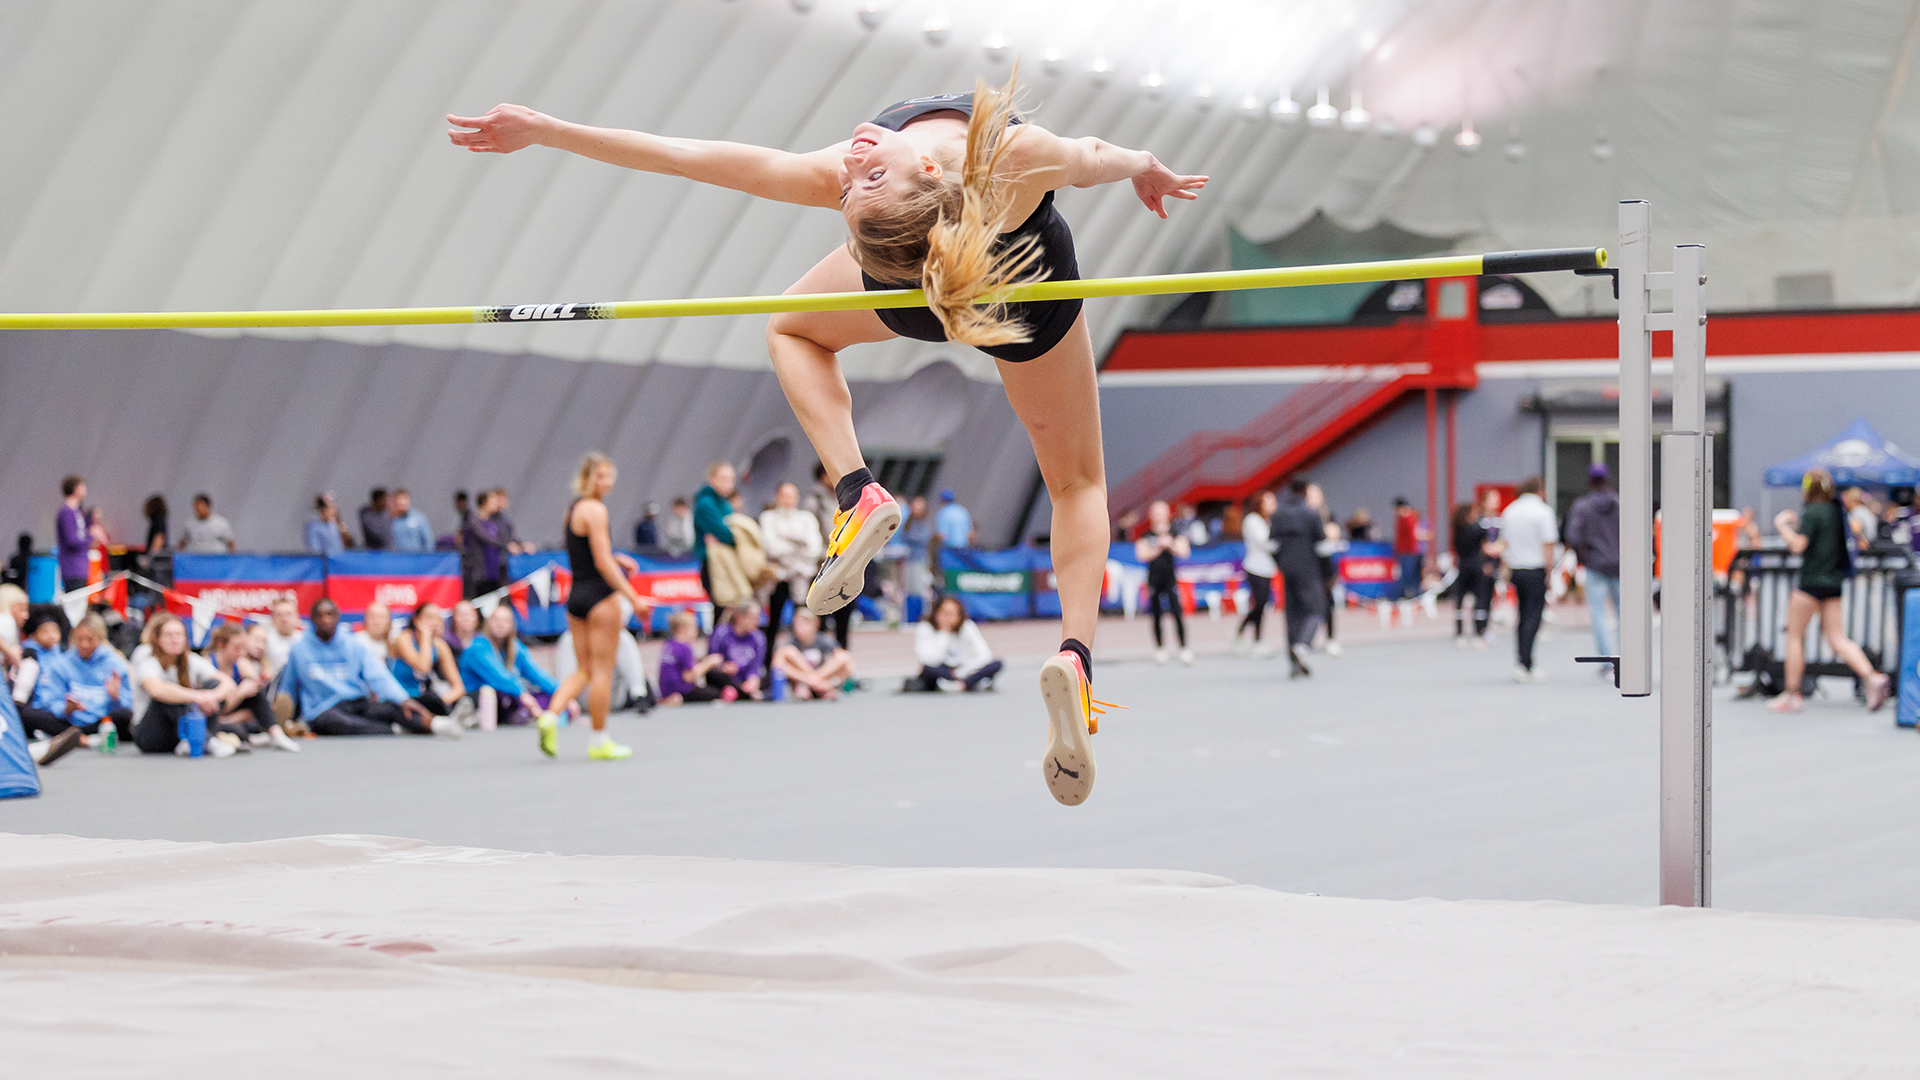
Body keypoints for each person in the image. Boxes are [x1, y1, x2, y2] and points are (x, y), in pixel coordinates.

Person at [450, 68, 1205, 807]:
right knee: (1076, 484)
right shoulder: (1009, 157)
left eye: (860, 183)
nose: (850, 169)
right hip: (1017, 286)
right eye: (856, 186)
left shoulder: (916, 173)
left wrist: (553, 132)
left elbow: (695, 157)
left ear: (932, 171)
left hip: (938, 282)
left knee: (791, 325)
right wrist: (1148, 170)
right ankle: (1075, 656)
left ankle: (856, 488)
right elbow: (1099, 156)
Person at [540, 452, 646, 761]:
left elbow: (587, 552)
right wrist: (632, 597)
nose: (607, 482)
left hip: (577, 596)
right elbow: (601, 562)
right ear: (587, 478)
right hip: (601, 598)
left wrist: (616, 557)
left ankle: (550, 716)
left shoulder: (573, 510)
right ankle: (599, 740)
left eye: (610, 476)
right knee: (602, 671)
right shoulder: (596, 510)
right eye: (601, 476)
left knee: (583, 670)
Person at [1768, 468, 1891, 713]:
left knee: (1794, 636)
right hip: (1834, 582)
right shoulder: (1838, 511)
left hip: (1811, 582)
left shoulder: (1813, 512)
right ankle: (1872, 677)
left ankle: (1792, 694)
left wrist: (1781, 525)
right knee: (1837, 638)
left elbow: (1798, 546)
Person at [281, 599, 452, 737]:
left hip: (355, 701)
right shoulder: (298, 649)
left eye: (330, 614)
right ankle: (392, 730)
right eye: (320, 615)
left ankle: (437, 724)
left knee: (396, 708)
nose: (325, 619)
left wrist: (403, 700)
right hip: (323, 709)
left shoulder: (353, 644)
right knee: (338, 723)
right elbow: (287, 687)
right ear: (312, 618)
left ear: (338, 617)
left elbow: (379, 677)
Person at [128, 611, 242, 757]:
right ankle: (207, 741)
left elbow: (227, 682)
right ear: (157, 639)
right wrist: (197, 696)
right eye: (169, 635)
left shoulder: (190, 659)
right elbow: (157, 690)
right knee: (172, 694)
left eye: (179, 635)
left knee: (213, 684)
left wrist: (211, 696)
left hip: (179, 729)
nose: (174, 640)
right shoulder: (147, 658)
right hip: (150, 734)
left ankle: (195, 740)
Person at [458, 603, 571, 727]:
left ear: (512, 624)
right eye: (496, 620)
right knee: (505, 694)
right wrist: (523, 695)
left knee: (552, 699)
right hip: (482, 698)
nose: (501, 624)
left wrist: (563, 695)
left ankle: (536, 714)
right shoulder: (477, 647)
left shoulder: (514, 647)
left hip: (510, 695)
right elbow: (499, 677)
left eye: (506, 621)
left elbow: (536, 673)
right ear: (488, 623)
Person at [33, 612, 132, 751]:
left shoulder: (115, 663)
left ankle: (76, 738)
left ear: (100, 639)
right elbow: (51, 701)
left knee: (122, 716)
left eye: (90, 639)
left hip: (102, 721)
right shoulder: (62, 664)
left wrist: (115, 697)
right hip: (69, 721)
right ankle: (80, 738)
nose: (84, 644)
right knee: (29, 714)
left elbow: (127, 705)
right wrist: (66, 708)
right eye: (79, 639)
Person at [1497, 476, 1559, 683]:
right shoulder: (1543, 512)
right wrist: (1549, 571)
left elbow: (1505, 543)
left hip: (1517, 568)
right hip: (1535, 568)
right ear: (1540, 490)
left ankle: (1521, 661)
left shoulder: (1510, 511)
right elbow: (1548, 544)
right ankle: (1527, 662)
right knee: (1534, 616)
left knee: (1522, 615)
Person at [1563, 463, 1622, 678]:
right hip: (1620, 565)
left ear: (1589, 481)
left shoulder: (1582, 506)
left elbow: (1573, 536)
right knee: (1623, 615)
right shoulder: (1620, 503)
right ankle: (1626, 659)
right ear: (1607, 479)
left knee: (1598, 614)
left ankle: (1607, 663)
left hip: (1595, 565)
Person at [205, 622, 301, 752]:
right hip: (212, 719)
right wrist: (239, 693)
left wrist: (250, 680)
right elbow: (213, 708)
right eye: (236, 648)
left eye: (243, 648)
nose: (241, 652)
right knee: (236, 729)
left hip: (231, 715)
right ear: (221, 645)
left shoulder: (239, 664)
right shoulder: (207, 664)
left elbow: (256, 695)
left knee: (255, 694)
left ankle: (276, 733)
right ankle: (250, 737)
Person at [1273, 478, 1327, 679]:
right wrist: (1328, 572)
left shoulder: (1278, 515)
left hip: (1287, 570)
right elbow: (1321, 545)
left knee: (1292, 615)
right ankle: (1303, 645)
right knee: (1316, 609)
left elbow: (1273, 544)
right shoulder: (1311, 514)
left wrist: (1281, 563)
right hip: (1309, 570)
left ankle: (1294, 663)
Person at [14, 608, 84, 765]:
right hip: (37, 708)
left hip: (61, 709)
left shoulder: (65, 655)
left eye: (55, 631)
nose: (51, 635)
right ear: (34, 634)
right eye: (45, 631)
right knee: (22, 712)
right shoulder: (29, 653)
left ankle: (71, 736)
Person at [760, 481, 824, 644]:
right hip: (778, 578)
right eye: (785, 495)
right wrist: (798, 545)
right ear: (777, 497)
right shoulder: (768, 518)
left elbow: (814, 547)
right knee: (773, 622)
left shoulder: (807, 518)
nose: (788, 499)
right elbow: (771, 547)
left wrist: (789, 543)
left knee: (805, 621)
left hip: (803, 576)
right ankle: (768, 663)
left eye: (792, 496)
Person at [387, 601, 471, 723]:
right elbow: (423, 667)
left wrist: (442, 702)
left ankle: (444, 717)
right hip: (398, 698)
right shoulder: (404, 638)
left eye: (437, 618)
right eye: (429, 617)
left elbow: (458, 687)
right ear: (416, 621)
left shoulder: (439, 645)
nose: (434, 622)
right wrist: (425, 636)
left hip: (421, 698)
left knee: (437, 701)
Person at [1135, 499, 1192, 665]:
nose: (1158, 515)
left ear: (1168, 513)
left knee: (1177, 611)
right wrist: (1158, 547)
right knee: (1156, 614)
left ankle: (1183, 647)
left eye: (1162, 512)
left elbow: (1184, 551)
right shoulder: (1146, 535)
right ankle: (1160, 648)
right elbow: (1141, 554)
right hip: (1154, 579)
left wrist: (1170, 544)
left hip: (1170, 579)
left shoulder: (1175, 532)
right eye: (1155, 512)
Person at [908, 594, 1002, 692]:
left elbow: (985, 655)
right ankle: (969, 683)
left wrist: (961, 672)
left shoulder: (967, 627)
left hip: (965, 668)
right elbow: (928, 659)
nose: (948, 617)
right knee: (928, 670)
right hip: (941, 669)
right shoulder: (925, 628)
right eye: (944, 613)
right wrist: (944, 632)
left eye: (952, 613)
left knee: (996, 664)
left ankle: (963, 684)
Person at [774, 609, 858, 700]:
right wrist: (808, 679)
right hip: (801, 681)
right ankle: (809, 683)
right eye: (797, 624)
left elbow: (848, 663)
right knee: (788, 652)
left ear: (815, 624)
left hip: (823, 680)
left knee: (843, 657)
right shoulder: (790, 642)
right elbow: (777, 665)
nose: (799, 628)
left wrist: (829, 682)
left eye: (804, 624)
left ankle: (822, 684)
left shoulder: (824, 640)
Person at [1234, 491, 1278, 658]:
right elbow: (1264, 542)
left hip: (1267, 568)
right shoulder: (1252, 520)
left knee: (1262, 605)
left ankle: (1251, 637)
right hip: (1255, 568)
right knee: (1259, 603)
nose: (1273, 505)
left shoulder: (1269, 520)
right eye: (1269, 502)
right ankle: (1251, 637)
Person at [657, 610, 736, 705]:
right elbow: (689, 676)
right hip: (681, 690)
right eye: (694, 628)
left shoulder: (669, 645)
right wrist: (709, 662)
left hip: (666, 690)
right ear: (683, 629)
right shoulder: (684, 647)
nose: (696, 632)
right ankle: (679, 698)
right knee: (713, 693)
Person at [691, 463, 739, 604]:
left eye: (731, 479)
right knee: (721, 606)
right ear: (712, 479)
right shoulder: (705, 504)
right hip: (712, 563)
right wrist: (733, 536)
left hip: (727, 562)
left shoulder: (724, 503)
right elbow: (726, 534)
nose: (728, 484)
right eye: (724, 479)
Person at [1305, 483, 1343, 657]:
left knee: (1327, 602)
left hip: (1325, 564)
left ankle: (1330, 638)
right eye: (1309, 494)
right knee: (1308, 602)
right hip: (1308, 564)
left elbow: (1334, 533)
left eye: (1316, 494)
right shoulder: (1302, 516)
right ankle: (1306, 638)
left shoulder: (1327, 515)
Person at [1449, 502, 1494, 648]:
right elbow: (1486, 543)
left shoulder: (1457, 529)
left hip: (1462, 567)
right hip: (1476, 567)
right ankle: (1479, 632)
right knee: (1479, 601)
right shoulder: (1477, 528)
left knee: (1460, 600)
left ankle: (1460, 633)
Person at [56, 476, 108, 595]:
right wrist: (91, 537)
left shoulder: (76, 512)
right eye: (82, 486)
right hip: (72, 566)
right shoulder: (67, 512)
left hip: (80, 566)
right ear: (75, 489)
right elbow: (73, 540)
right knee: (75, 604)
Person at [706, 602, 768, 700]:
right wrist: (723, 666)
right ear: (740, 617)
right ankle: (740, 693)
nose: (757, 622)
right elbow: (712, 659)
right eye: (753, 618)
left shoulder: (759, 638)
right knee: (713, 675)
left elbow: (757, 664)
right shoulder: (721, 633)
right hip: (727, 679)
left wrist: (753, 679)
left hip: (747, 678)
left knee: (772, 674)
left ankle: (742, 692)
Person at [462, 490, 509, 598]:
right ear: (485, 503)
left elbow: (506, 536)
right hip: (478, 573)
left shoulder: (495, 520)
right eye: (493, 501)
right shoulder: (473, 520)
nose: (496, 505)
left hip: (493, 572)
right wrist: (506, 545)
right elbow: (486, 537)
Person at [1392, 497, 1426, 600]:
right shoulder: (1400, 519)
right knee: (1405, 575)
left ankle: (1412, 595)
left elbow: (1412, 536)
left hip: (1408, 552)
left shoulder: (1409, 518)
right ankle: (1409, 595)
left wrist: (1412, 551)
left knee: (1408, 576)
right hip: (1404, 551)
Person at [261, 595, 302, 679]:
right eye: (279, 615)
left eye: (288, 614)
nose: (284, 619)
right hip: (274, 685)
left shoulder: (304, 640)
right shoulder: (264, 639)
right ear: (272, 619)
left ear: (297, 617)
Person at [388, 489, 434, 553]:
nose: (403, 502)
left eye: (405, 499)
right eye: (399, 499)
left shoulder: (419, 518)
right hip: (395, 558)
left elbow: (428, 542)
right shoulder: (389, 519)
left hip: (415, 558)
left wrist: (426, 558)